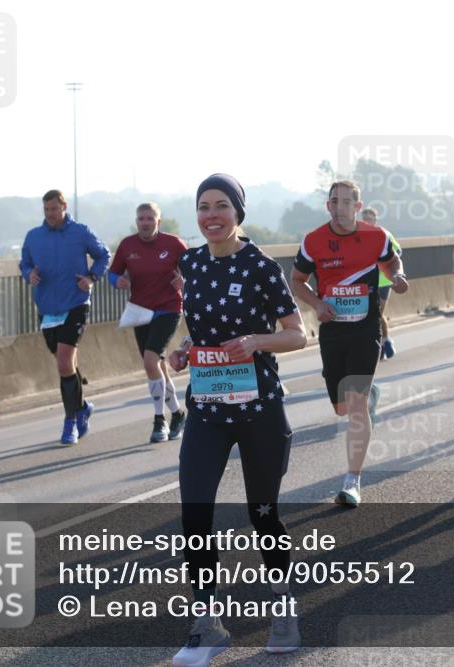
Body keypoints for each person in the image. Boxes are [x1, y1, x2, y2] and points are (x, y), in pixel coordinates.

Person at [168, 174, 307, 666]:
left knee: (263, 514)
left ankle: (284, 609)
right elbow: (199, 329)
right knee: (195, 513)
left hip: (258, 408)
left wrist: (254, 342)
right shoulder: (190, 262)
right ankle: (207, 626)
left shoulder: (261, 266)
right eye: (203, 206)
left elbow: (297, 335)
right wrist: (185, 352)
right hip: (206, 406)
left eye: (221, 205)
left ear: (238, 212)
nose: (211, 215)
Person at [290, 180, 408, 507]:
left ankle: (352, 480)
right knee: (342, 406)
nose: (339, 207)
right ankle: (368, 395)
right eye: (334, 202)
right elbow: (296, 281)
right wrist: (317, 304)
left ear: (358, 206)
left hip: (365, 329)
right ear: (327, 206)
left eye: (346, 202)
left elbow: (392, 262)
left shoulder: (377, 236)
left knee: (355, 406)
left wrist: (396, 276)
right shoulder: (314, 241)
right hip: (332, 329)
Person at [19, 190, 111, 444]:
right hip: (47, 309)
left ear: (64, 207)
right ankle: (82, 407)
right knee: (65, 364)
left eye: (54, 209)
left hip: (76, 304)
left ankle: (70, 422)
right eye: (46, 210)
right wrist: (30, 275)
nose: (50, 214)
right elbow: (24, 263)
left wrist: (92, 277)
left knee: (63, 362)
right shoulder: (34, 236)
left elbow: (104, 255)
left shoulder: (80, 232)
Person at [109, 202, 189, 442]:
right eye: (141, 219)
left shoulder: (173, 244)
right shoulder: (127, 245)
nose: (145, 222)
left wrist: (183, 282)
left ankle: (159, 420)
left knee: (150, 360)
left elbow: (195, 272)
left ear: (158, 221)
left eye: (149, 218)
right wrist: (118, 282)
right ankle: (177, 413)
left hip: (168, 308)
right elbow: (113, 273)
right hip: (141, 311)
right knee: (158, 366)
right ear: (137, 222)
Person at [362, 207, 402, 360]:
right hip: (366, 281)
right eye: (364, 219)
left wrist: (386, 261)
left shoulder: (383, 234)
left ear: (375, 220)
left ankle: (384, 341)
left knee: (377, 313)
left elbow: (398, 251)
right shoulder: (357, 236)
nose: (366, 222)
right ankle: (382, 342)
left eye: (369, 219)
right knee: (370, 314)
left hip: (384, 280)